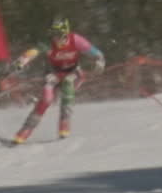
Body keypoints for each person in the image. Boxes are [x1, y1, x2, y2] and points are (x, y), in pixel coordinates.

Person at [7, 16, 106, 144]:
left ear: (66, 33)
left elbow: (96, 53)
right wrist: (22, 61)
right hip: (53, 73)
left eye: (59, 34)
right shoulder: (49, 43)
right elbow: (34, 51)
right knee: (47, 99)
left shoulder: (75, 40)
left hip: (72, 72)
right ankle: (26, 130)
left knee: (68, 86)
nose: (56, 38)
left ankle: (64, 123)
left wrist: (99, 61)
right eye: (53, 34)